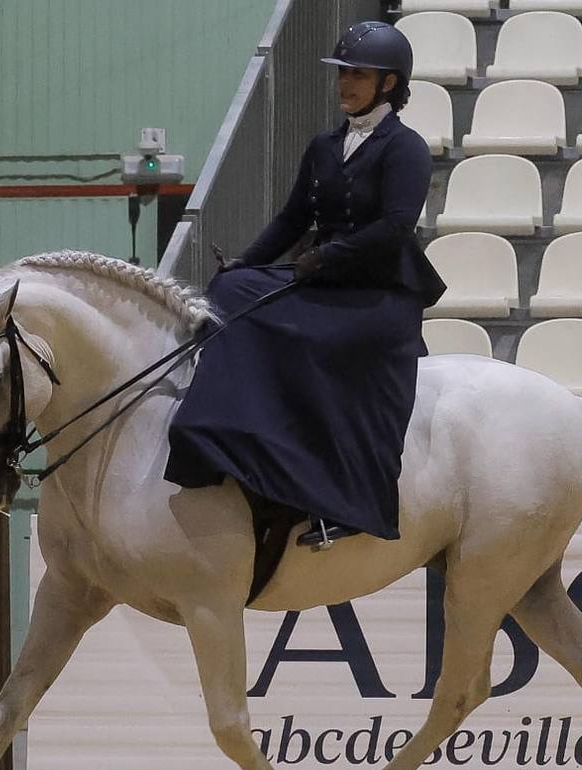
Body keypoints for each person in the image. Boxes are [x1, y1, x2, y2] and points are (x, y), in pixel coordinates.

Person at [165, 21, 445, 552]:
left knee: (262, 313)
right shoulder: (324, 145)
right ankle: (224, 444)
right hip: (322, 276)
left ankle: (345, 494)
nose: (344, 84)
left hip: (377, 291)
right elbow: (292, 218)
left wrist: (320, 260)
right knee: (230, 293)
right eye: (342, 74)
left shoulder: (405, 148)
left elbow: (393, 229)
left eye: (357, 75)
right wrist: (246, 261)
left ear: (389, 83)